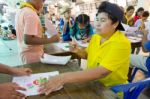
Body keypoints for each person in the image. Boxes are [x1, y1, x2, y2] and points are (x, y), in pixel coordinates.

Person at [39, 1, 131, 95]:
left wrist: (62, 78)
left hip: (111, 90)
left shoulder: (121, 43)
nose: (97, 23)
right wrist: (77, 50)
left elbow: (102, 72)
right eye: (97, 19)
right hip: (93, 83)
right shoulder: (96, 37)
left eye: (103, 20)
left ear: (115, 24)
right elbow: (87, 54)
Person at [15, 0, 60, 64]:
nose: (42, 5)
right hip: (33, 56)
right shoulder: (30, 13)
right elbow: (28, 40)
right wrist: (51, 39)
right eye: (42, 1)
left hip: (25, 53)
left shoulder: (21, 11)